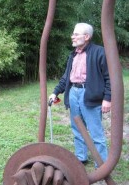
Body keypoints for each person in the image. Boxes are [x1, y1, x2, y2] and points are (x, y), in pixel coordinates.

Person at [48, 22, 111, 165]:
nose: (72, 37)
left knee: (96, 132)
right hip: (73, 94)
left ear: (87, 36)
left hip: (90, 94)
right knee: (77, 128)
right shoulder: (73, 55)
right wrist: (55, 92)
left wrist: (107, 98)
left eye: (76, 34)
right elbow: (66, 77)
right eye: (73, 34)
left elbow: (109, 77)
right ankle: (81, 157)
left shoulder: (99, 52)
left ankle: (101, 164)